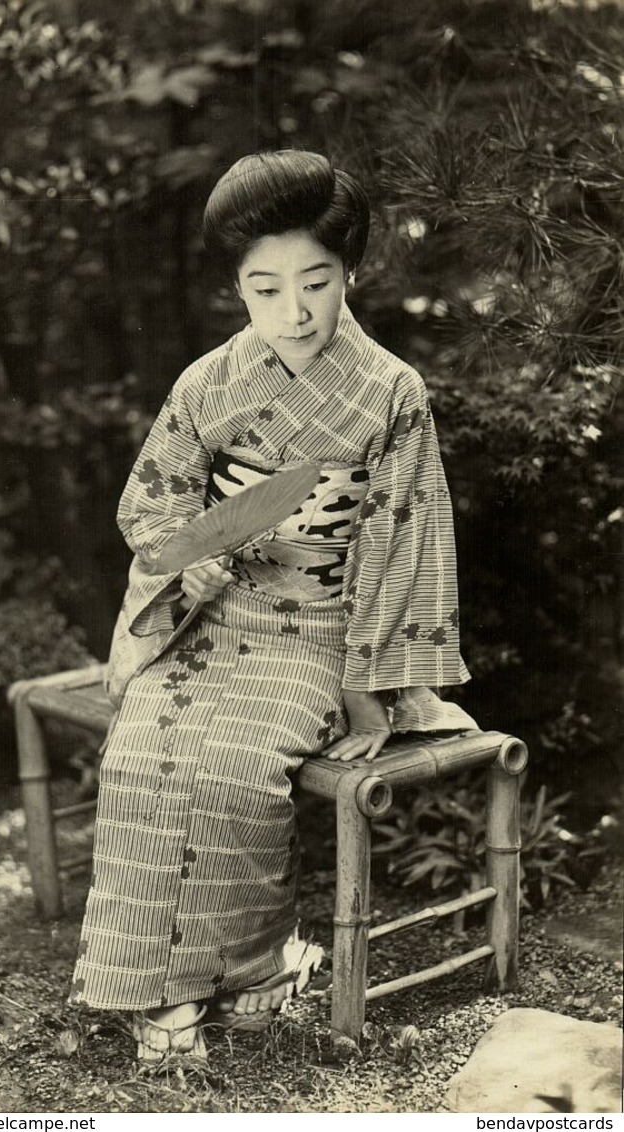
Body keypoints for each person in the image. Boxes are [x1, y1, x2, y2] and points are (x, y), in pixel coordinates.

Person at [69, 149, 474, 1062]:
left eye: (316, 283)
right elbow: (151, 500)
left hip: (319, 632)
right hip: (209, 619)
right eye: (264, 289)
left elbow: (400, 542)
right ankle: (156, 998)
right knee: (143, 753)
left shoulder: (392, 392)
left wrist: (372, 691)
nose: (293, 312)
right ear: (238, 288)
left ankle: (251, 968)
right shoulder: (208, 383)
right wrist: (195, 554)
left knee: (239, 770)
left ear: (352, 274)